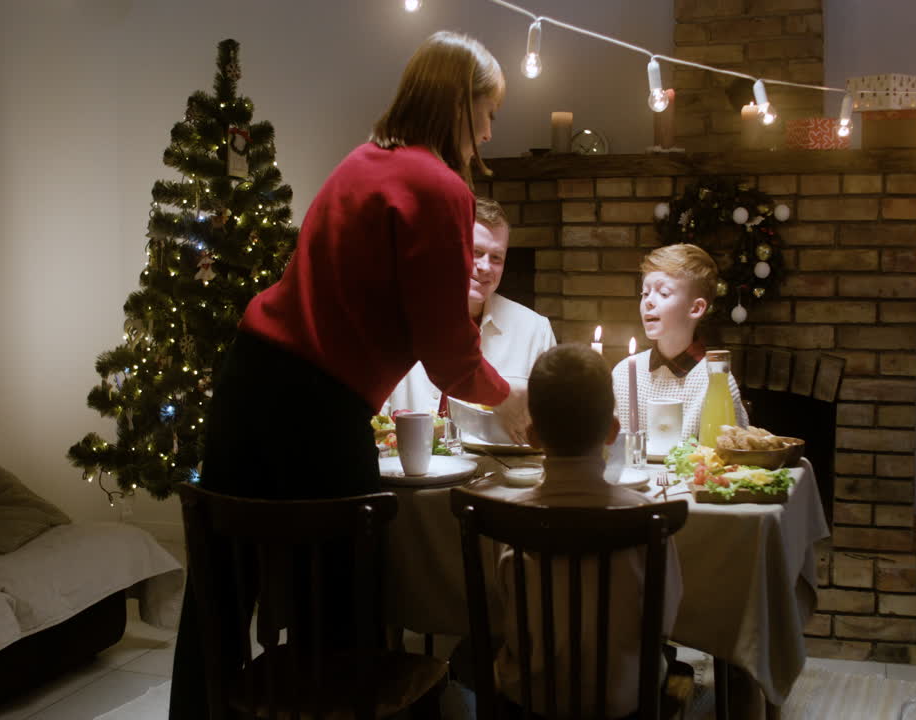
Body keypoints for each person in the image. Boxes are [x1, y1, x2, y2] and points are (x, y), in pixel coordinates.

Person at [169, 31, 528, 718]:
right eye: (487, 111)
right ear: (459, 105)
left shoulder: (361, 162)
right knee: (341, 596)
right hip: (319, 404)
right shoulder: (440, 188)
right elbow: (447, 351)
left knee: (219, 588)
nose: (488, 130)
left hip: (249, 377)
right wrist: (508, 400)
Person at [494, 343, 682, 718]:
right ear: (613, 431)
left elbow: (507, 620)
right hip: (623, 699)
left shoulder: (510, 517)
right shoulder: (647, 517)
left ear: (532, 436)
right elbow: (665, 619)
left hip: (532, 700)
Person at [384, 196, 556, 416]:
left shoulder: (536, 331)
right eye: (475, 252)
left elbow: (550, 422)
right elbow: (373, 422)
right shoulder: (399, 320)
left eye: (496, 258)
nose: (485, 266)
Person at [612, 243, 749, 440]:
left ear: (695, 309)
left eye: (664, 293)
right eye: (645, 293)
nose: (648, 301)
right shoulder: (624, 373)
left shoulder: (716, 381)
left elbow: (734, 455)